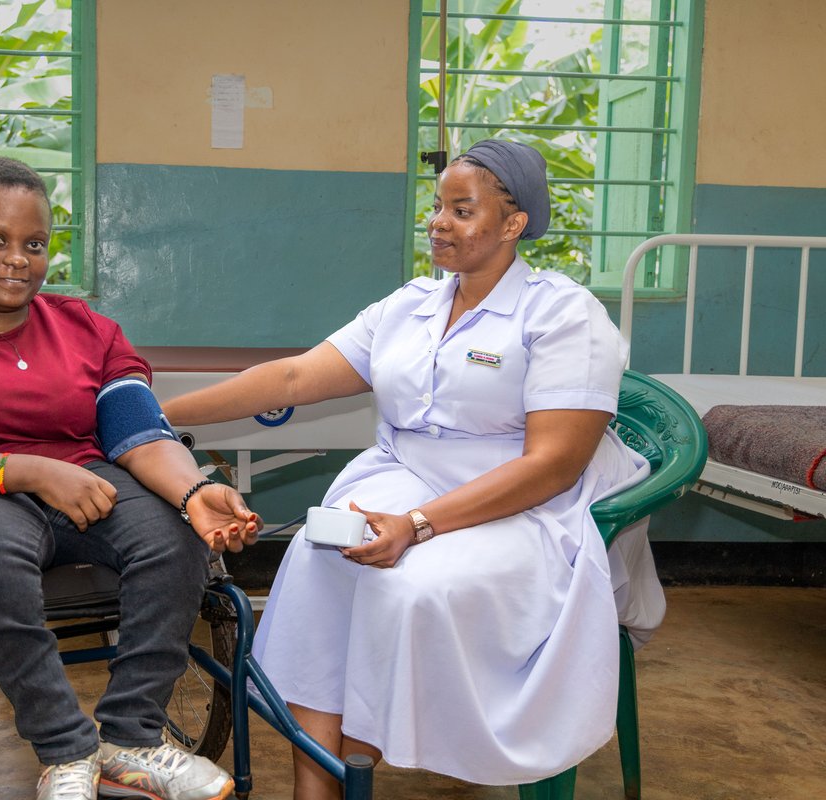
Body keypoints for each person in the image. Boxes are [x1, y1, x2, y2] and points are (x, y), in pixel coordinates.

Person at [162, 139, 665, 797]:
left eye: (462, 210)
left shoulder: (564, 317)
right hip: (411, 482)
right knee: (320, 559)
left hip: (530, 509)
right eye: (437, 207)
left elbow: (552, 467)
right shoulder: (412, 308)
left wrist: (418, 525)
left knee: (405, 589)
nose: (438, 223)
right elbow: (290, 376)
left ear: (514, 224)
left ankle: (369, 771)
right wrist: (152, 414)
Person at [0, 156, 261, 800]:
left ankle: (131, 737)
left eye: (33, 244)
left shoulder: (87, 330)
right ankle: (65, 751)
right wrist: (27, 470)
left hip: (79, 486)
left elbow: (137, 431)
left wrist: (195, 492)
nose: (16, 259)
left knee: (173, 536)